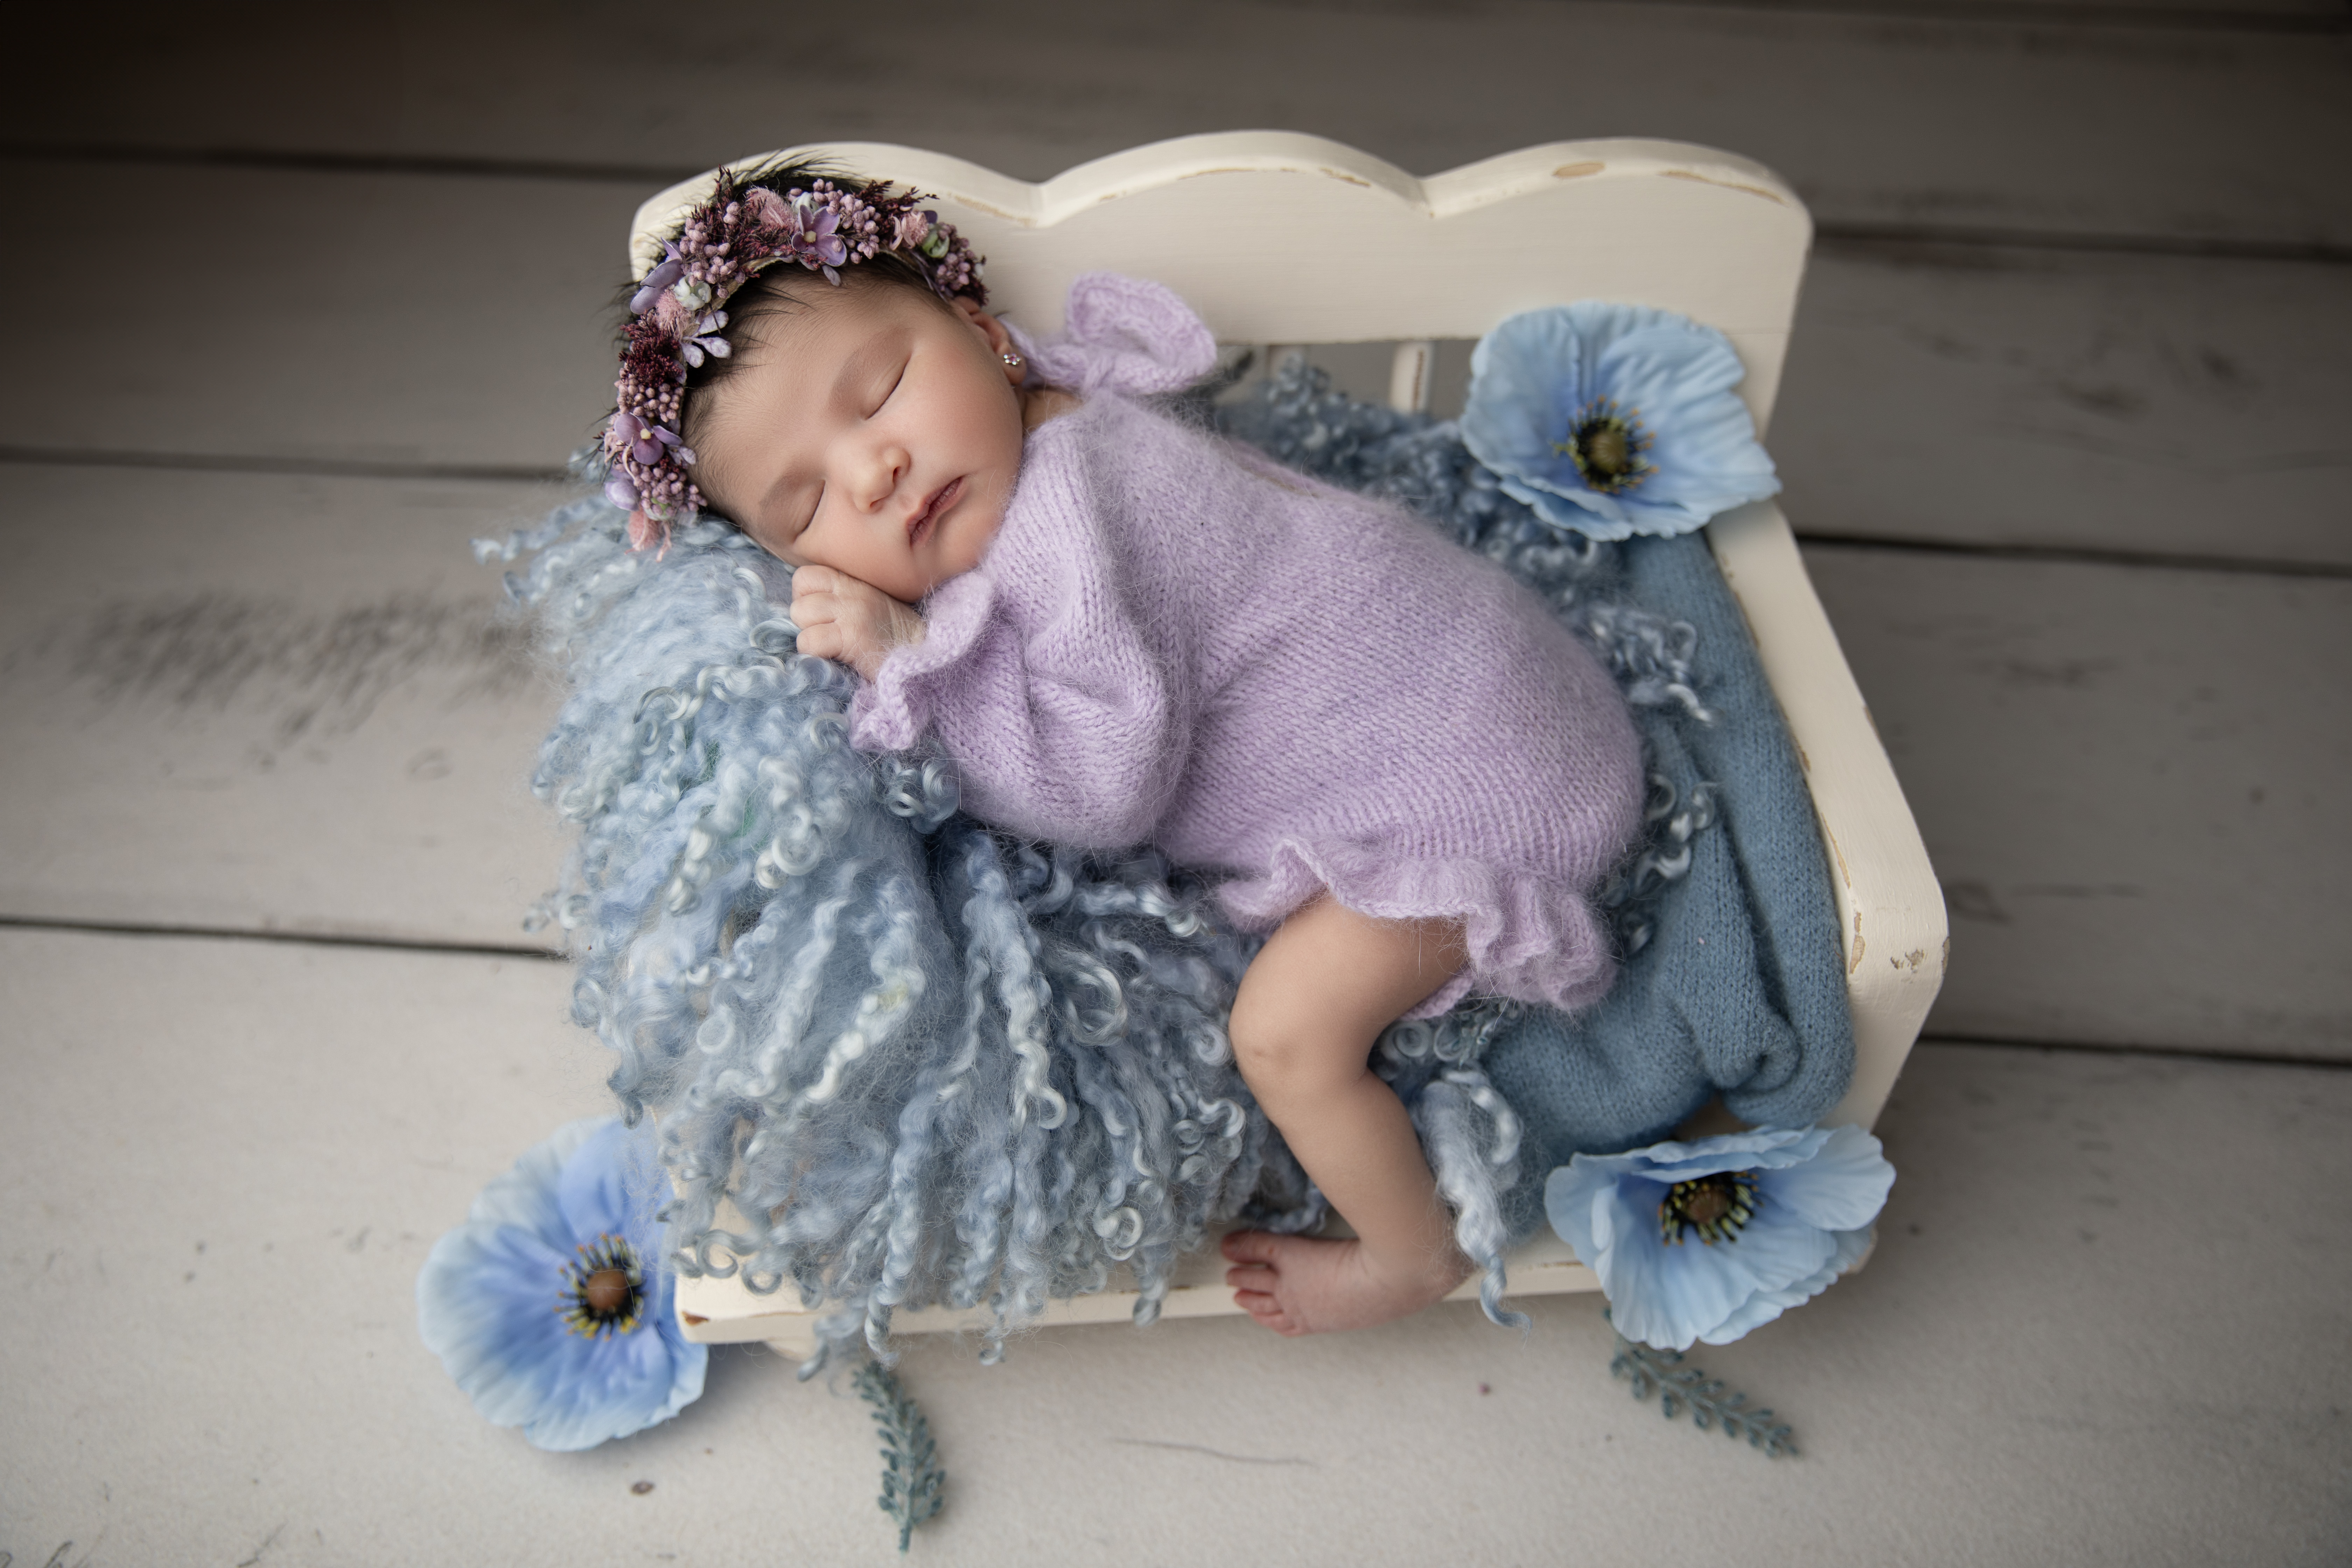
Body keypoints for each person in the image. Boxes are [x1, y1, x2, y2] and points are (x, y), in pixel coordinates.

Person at [602, 162, 1642, 1335]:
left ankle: (1410, 1254)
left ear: (987, 335)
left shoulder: (1068, 529)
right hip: (1512, 685)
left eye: (882, 390)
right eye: (807, 509)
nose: (873, 471)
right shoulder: (1063, 423)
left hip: (1485, 793)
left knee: (1284, 1038)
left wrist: (914, 660)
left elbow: (1105, 792)